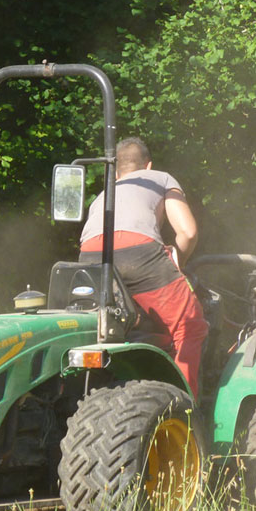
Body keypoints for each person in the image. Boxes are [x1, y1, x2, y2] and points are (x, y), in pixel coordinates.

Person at [79, 137, 209, 397]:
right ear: (148, 166)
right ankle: (184, 407)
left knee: (114, 329)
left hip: (90, 256)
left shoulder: (104, 194)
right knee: (190, 325)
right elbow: (188, 232)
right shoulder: (160, 178)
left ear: (116, 172)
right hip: (140, 253)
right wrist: (176, 264)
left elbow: (91, 239)